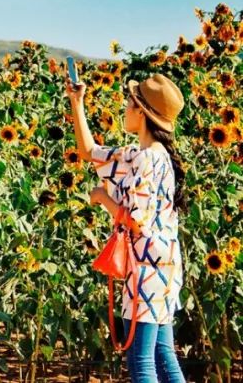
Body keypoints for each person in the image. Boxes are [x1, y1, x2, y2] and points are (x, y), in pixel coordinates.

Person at [66, 73, 187, 383]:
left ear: (141, 112)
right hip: (164, 267)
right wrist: (77, 102)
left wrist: (102, 198)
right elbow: (89, 151)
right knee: (163, 356)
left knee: (141, 362)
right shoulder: (144, 156)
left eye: (129, 102)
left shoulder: (145, 160)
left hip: (147, 269)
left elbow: (135, 220)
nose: (124, 108)